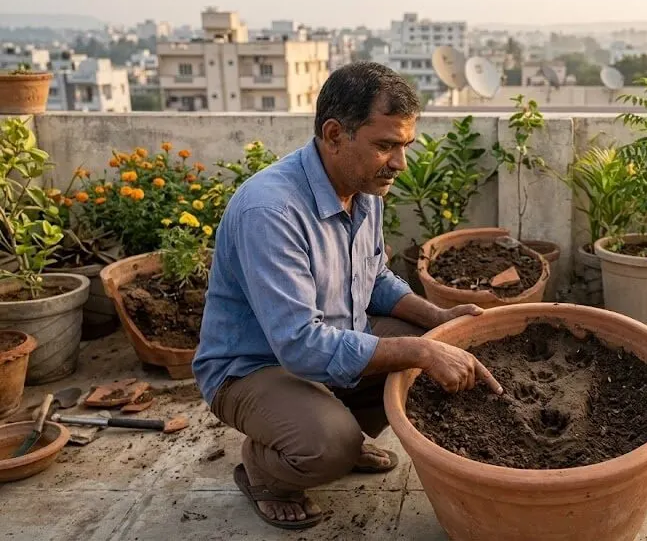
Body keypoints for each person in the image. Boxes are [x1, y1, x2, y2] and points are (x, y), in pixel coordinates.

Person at [192, 62, 502, 530]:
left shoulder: (364, 190)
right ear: (335, 135)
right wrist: (418, 347)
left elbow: (374, 280)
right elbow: (297, 345)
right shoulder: (271, 210)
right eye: (385, 146)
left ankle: (336, 426)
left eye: (404, 147)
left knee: (428, 341)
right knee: (328, 445)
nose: (400, 163)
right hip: (253, 367)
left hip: (326, 343)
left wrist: (437, 318)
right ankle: (265, 470)